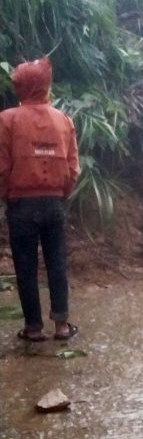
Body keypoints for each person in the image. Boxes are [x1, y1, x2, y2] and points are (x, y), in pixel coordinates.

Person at [0, 58, 80, 342]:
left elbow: (2, 167)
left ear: (21, 87)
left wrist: (7, 196)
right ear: (45, 86)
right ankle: (61, 325)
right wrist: (61, 194)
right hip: (54, 202)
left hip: (21, 204)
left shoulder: (7, 120)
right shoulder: (64, 120)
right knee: (57, 262)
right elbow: (72, 168)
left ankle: (33, 328)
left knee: (25, 265)